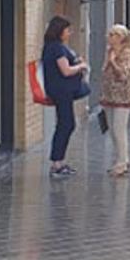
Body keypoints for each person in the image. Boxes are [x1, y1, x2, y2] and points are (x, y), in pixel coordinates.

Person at [42, 16, 88, 177]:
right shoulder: (57, 48)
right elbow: (66, 70)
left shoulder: (51, 47)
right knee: (66, 124)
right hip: (62, 91)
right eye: (68, 30)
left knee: (65, 124)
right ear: (59, 31)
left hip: (59, 90)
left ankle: (59, 161)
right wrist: (81, 66)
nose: (70, 33)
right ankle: (56, 164)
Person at [102, 25, 130, 177]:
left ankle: (122, 163)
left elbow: (123, 75)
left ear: (120, 37)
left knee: (119, 129)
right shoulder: (109, 51)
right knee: (111, 129)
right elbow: (104, 72)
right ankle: (121, 158)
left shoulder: (128, 53)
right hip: (109, 96)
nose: (109, 37)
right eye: (109, 34)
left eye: (112, 34)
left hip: (123, 96)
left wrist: (113, 62)